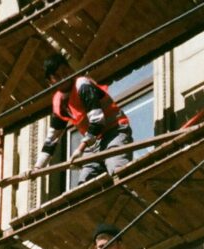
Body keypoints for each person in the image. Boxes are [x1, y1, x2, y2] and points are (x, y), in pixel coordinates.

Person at [32, 53, 133, 183]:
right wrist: (38, 167)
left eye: (65, 71)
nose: (63, 77)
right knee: (85, 186)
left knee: (119, 174)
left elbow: (97, 120)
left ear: (70, 69)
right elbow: (52, 139)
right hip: (93, 143)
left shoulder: (82, 85)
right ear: (50, 82)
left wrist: (80, 148)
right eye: (57, 76)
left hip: (114, 132)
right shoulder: (58, 102)